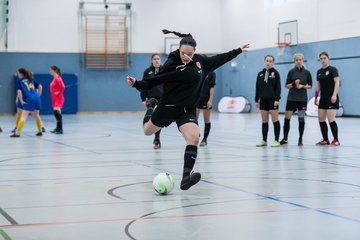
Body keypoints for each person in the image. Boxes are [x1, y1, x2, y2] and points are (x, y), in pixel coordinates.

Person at [127, 29, 249, 190]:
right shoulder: (171, 64)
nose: (186, 57)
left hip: (187, 109)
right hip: (168, 106)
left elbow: (221, 58)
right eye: (183, 53)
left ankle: (185, 178)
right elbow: (154, 81)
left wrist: (238, 50)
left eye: (189, 54)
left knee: (193, 138)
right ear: (179, 50)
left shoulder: (201, 63)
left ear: (195, 52)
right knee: (147, 131)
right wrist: (137, 84)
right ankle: (151, 107)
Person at [280, 53, 312, 146]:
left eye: (300, 60)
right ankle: (285, 138)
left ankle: (300, 139)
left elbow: (310, 86)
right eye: (297, 60)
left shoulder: (307, 72)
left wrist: (302, 86)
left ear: (302, 60)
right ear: (294, 61)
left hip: (302, 99)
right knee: (287, 119)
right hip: (291, 98)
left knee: (301, 119)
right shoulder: (291, 72)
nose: (298, 61)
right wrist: (294, 84)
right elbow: (286, 85)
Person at [255, 54, 281, 147]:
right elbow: (257, 88)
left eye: (270, 61)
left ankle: (276, 140)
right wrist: (256, 99)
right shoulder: (260, 74)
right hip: (263, 100)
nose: (268, 63)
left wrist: (277, 99)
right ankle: (264, 140)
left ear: (273, 63)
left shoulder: (275, 73)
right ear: (264, 61)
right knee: (264, 120)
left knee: (275, 120)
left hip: (273, 100)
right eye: (267, 61)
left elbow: (278, 87)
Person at [314, 51, 340, 146]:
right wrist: (316, 98)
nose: (323, 60)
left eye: (324, 58)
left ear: (328, 58)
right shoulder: (319, 72)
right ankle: (325, 139)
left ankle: (336, 140)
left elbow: (337, 83)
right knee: (321, 119)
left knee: (331, 119)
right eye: (321, 59)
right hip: (323, 99)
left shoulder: (333, 69)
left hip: (331, 98)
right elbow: (318, 86)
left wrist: (334, 95)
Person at [10, 68, 43, 137]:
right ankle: (40, 131)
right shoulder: (31, 79)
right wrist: (39, 95)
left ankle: (17, 133)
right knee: (36, 115)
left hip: (29, 99)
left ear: (20, 74)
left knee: (23, 116)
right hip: (37, 98)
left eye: (18, 73)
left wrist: (21, 100)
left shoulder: (20, 81)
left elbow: (19, 92)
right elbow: (40, 86)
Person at [140, 53, 164, 149]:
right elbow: (143, 85)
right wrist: (143, 99)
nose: (157, 60)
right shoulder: (147, 71)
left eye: (158, 58)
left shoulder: (164, 70)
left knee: (159, 118)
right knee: (153, 117)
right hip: (152, 99)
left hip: (163, 99)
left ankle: (157, 138)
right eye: (155, 59)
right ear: (152, 60)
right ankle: (157, 139)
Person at [196, 71, 216, 147]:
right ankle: (196, 132)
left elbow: (212, 87)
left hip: (206, 99)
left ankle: (205, 139)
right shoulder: (198, 71)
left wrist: (210, 100)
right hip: (197, 98)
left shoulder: (211, 73)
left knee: (206, 119)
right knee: (194, 118)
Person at [49, 66, 65, 134]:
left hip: (58, 97)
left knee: (56, 113)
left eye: (51, 70)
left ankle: (60, 129)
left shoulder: (57, 78)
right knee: (57, 112)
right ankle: (58, 128)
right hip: (54, 97)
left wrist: (59, 92)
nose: (50, 71)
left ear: (55, 70)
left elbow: (63, 87)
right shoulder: (55, 78)